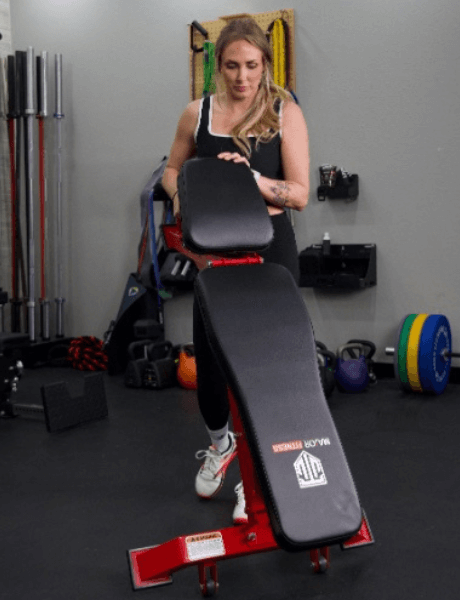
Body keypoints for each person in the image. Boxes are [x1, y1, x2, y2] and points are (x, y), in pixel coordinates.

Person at [160, 17, 310, 523]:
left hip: (270, 246)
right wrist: (184, 200)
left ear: (265, 64)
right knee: (210, 364)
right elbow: (172, 170)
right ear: (217, 67)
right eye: (232, 66)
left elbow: (300, 195)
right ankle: (222, 446)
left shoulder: (283, 111)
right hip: (213, 249)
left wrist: (250, 178)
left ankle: (259, 474)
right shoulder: (195, 114)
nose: (242, 77)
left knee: (265, 366)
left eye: (251, 65)